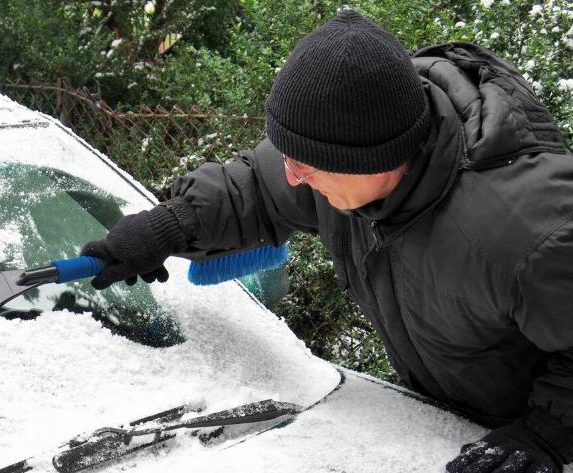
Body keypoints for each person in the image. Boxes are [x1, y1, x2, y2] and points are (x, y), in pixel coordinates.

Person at [81, 10, 573, 473]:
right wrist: (170, 225)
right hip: (444, 424)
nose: (293, 177)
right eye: (291, 156)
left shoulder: (527, 231)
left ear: (376, 158)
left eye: (306, 164)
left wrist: (550, 433)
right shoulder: (344, 157)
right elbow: (256, 185)